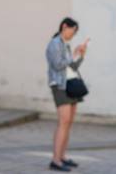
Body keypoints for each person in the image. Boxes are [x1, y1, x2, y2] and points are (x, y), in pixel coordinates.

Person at [46, 17, 89, 172]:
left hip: (71, 85)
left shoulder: (65, 45)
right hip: (60, 86)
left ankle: (62, 157)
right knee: (63, 122)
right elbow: (57, 65)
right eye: (73, 30)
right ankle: (55, 160)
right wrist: (73, 54)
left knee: (68, 123)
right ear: (65, 26)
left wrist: (81, 55)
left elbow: (73, 66)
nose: (74, 34)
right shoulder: (55, 43)